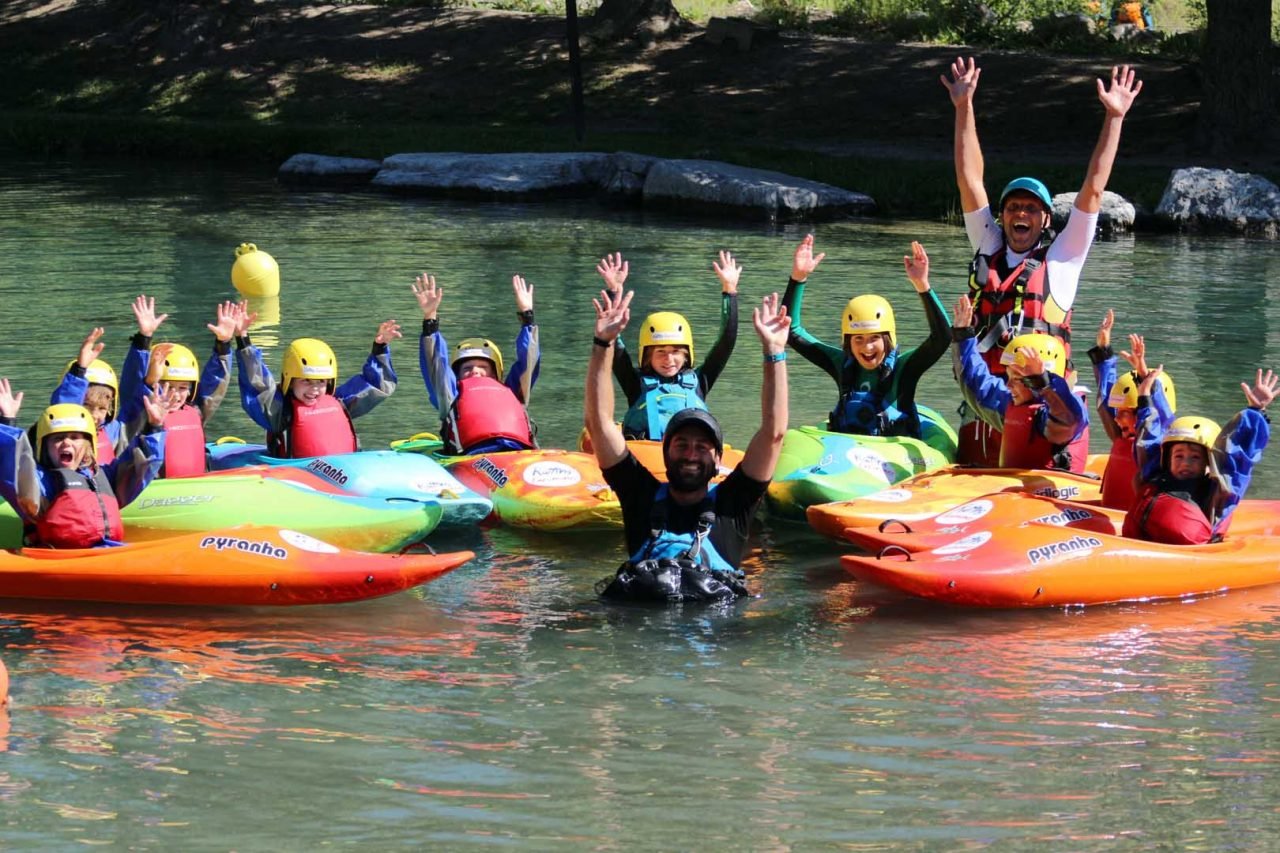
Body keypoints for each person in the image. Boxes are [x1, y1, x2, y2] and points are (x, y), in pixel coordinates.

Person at [942, 58, 1142, 463]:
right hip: (986, 401)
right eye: (1014, 207)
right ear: (1002, 216)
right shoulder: (988, 244)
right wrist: (964, 107)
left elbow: (1094, 190)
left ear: (1046, 219)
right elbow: (970, 179)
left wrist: (1114, 118)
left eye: (1031, 209)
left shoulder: (1063, 261)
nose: (1021, 214)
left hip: (1047, 412)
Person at [586, 287, 790, 603]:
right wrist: (603, 344)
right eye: (681, 444)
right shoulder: (639, 496)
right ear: (666, 451)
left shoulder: (732, 506)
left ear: (719, 457)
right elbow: (599, 425)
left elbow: (774, 433)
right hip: (641, 633)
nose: (691, 454)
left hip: (712, 635)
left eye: (702, 446)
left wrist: (774, 352)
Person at [783, 235, 950, 437]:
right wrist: (798, 278)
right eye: (858, 339)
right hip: (848, 452)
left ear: (887, 339)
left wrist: (922, 285)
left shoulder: (904, 369)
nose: (867, 347)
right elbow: (791, 332)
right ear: (848, 342)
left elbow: (942, 337)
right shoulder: (842, 364)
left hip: (893, 457)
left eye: (874, 338)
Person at [0, 380, 171, 548]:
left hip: (107, 551)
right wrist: (7, 421)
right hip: (60, 559)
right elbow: (12, 469)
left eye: (75, 438)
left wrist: (154, 426)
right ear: (44, 447)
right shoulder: (42, 484)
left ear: (88, 445)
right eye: (58, 438)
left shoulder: (106, 477)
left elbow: (142, 463)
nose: (67, 443)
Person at [593, 250, 739, 441]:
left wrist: (730, 290)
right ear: (647, 356)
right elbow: (614, 345)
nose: (668, 359)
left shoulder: (700, 381)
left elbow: (726, 342)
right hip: (644, 458)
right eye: (660, 351)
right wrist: (614, 291)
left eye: (676, 352)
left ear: (686, 354)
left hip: (688, 459)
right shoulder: (635, 383)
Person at [1123, 369, 1276, 545]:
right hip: (1140, 549)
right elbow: (1149, 437)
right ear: (1167, 458)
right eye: (1179, 456)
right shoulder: (1153, 474)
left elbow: (1239, 456)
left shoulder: (1218, 493)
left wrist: (1256, 411)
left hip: (1190, 560)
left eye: (1195, 457)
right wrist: (1144, 396)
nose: (1185, 463)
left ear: (1208, 463)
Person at [236, 309, 400, 458]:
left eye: (321, 382)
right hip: (296, 474)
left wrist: (380, 347)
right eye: (306, 381)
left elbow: (376, 385)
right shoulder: (278, 411)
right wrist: (243, 340)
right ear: (290, 381)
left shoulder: (341, 402)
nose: (314, 389)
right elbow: (256, 385)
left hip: (344, 472)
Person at [952, 294, 1088, 471]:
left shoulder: (1067, 413)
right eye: (1008, 377)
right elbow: (977, 383)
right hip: (1015, 491)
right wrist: (963, 336)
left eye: (1016, 379)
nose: (1008, 385)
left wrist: (1042, 383)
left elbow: (1065, 420)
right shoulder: (1013, 404)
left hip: (1051, 493)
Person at [414, 272, 540, 456]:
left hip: (518, 455)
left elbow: (529, 361)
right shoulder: (451, 396)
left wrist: (527, 317)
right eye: (467, 368)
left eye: (484, 367)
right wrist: (430, 319)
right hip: (471, 458)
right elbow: (436, 366)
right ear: (456, 376)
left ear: (496, 374)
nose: (475, 372)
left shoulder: (514, 392)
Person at [51, 295, 167, 464]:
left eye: (101, 409)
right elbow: (65, 407)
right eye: (87, 406)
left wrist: (144, 339)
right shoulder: (57, 438)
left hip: (104, 489)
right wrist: (80, 369)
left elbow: (136, 398)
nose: (94, 415)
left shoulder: (114, 431)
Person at [141, 300, 242, 477]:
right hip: (156, 492)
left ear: (191, 390)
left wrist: (224, 343)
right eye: (167, 386)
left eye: (182, 387)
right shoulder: (141, 414)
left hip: (196, 488)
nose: (174, 394)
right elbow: (134, 390)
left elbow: (215, 381)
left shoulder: (197, 410)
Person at [1088, 310, 1176, 508]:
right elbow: (1105, 395)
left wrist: (1146, 379)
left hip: (1136, 522)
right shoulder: (1121, 433)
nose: (1117, 420)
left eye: (1124, 413)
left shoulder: (1163, 445)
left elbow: (1161, 416)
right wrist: (1104, 349)